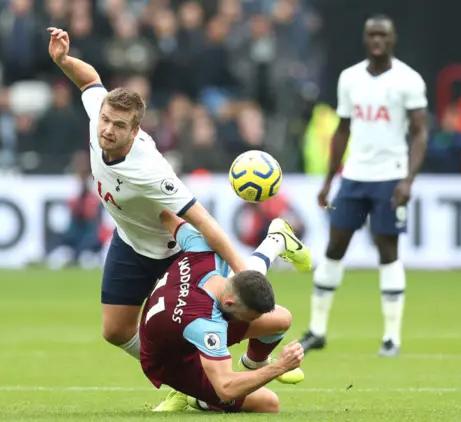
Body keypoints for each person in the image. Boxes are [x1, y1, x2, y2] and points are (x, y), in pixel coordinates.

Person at [47, 26, 313, 365]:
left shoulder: (152, 171)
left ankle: (274, 243)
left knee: (231, 310)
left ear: (135, 131)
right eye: (105, 121)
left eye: (118, 126)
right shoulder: (101, 114)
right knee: (115, 331)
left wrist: (238, 271)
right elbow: (89, 81)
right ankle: (179, 369)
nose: (107, 130)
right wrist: (64, 59)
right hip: (131, 242)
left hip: (176, 251)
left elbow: (202, 220)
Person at [299, 15, 429, 357]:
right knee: (334, 246)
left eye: (382, 35)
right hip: (355, 176)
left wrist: (408, 179)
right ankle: (317, 330)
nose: (376, 40)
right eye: (371, 34)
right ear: (364, 38)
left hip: (390, 176)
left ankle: (391, 337)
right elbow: (342, 130)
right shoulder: (350, 78)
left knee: (387, 250)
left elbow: (420, 132)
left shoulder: (408, 80)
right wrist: (329, 180)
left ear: (393, 38)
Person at [140, 212, 306, 413]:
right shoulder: (206, 324)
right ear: (229, 303)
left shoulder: (203, 252)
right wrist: (280, 366)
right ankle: (196, 398)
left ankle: (253, 364)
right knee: (268, 403)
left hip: (178, 326)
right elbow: (227, 388)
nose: (253, 321)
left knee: (281, 319)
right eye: (249, 317)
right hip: (174, 362)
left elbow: (166, 215)